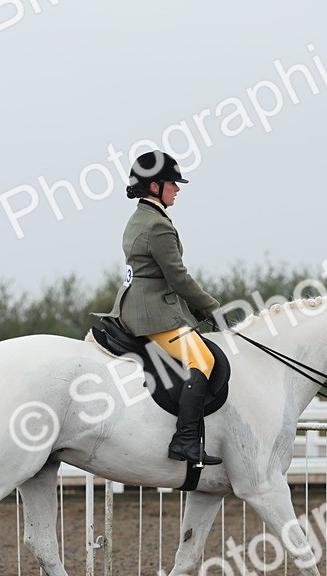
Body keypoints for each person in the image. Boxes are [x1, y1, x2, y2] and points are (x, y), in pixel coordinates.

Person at [97, 150, 223, 466]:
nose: (177, 189)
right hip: (151, 314)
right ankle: (185, 441)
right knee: (202, 360)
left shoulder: (139, 217)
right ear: (155, 186)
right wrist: (212, 308)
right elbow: (178, 278)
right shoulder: (158, 226)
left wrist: (195, 311)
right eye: (172, 183)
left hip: (133, 305)